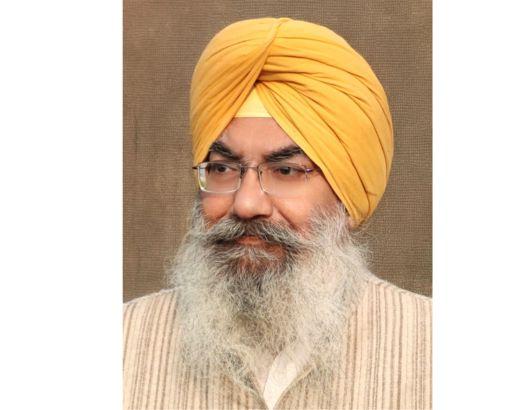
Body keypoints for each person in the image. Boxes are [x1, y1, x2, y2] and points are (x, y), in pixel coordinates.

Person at [124, 17, 431, 410]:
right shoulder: (125, 340)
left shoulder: (430, 345)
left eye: (286, 171)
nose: (246, 204)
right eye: (222, 168)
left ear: (348, 193)